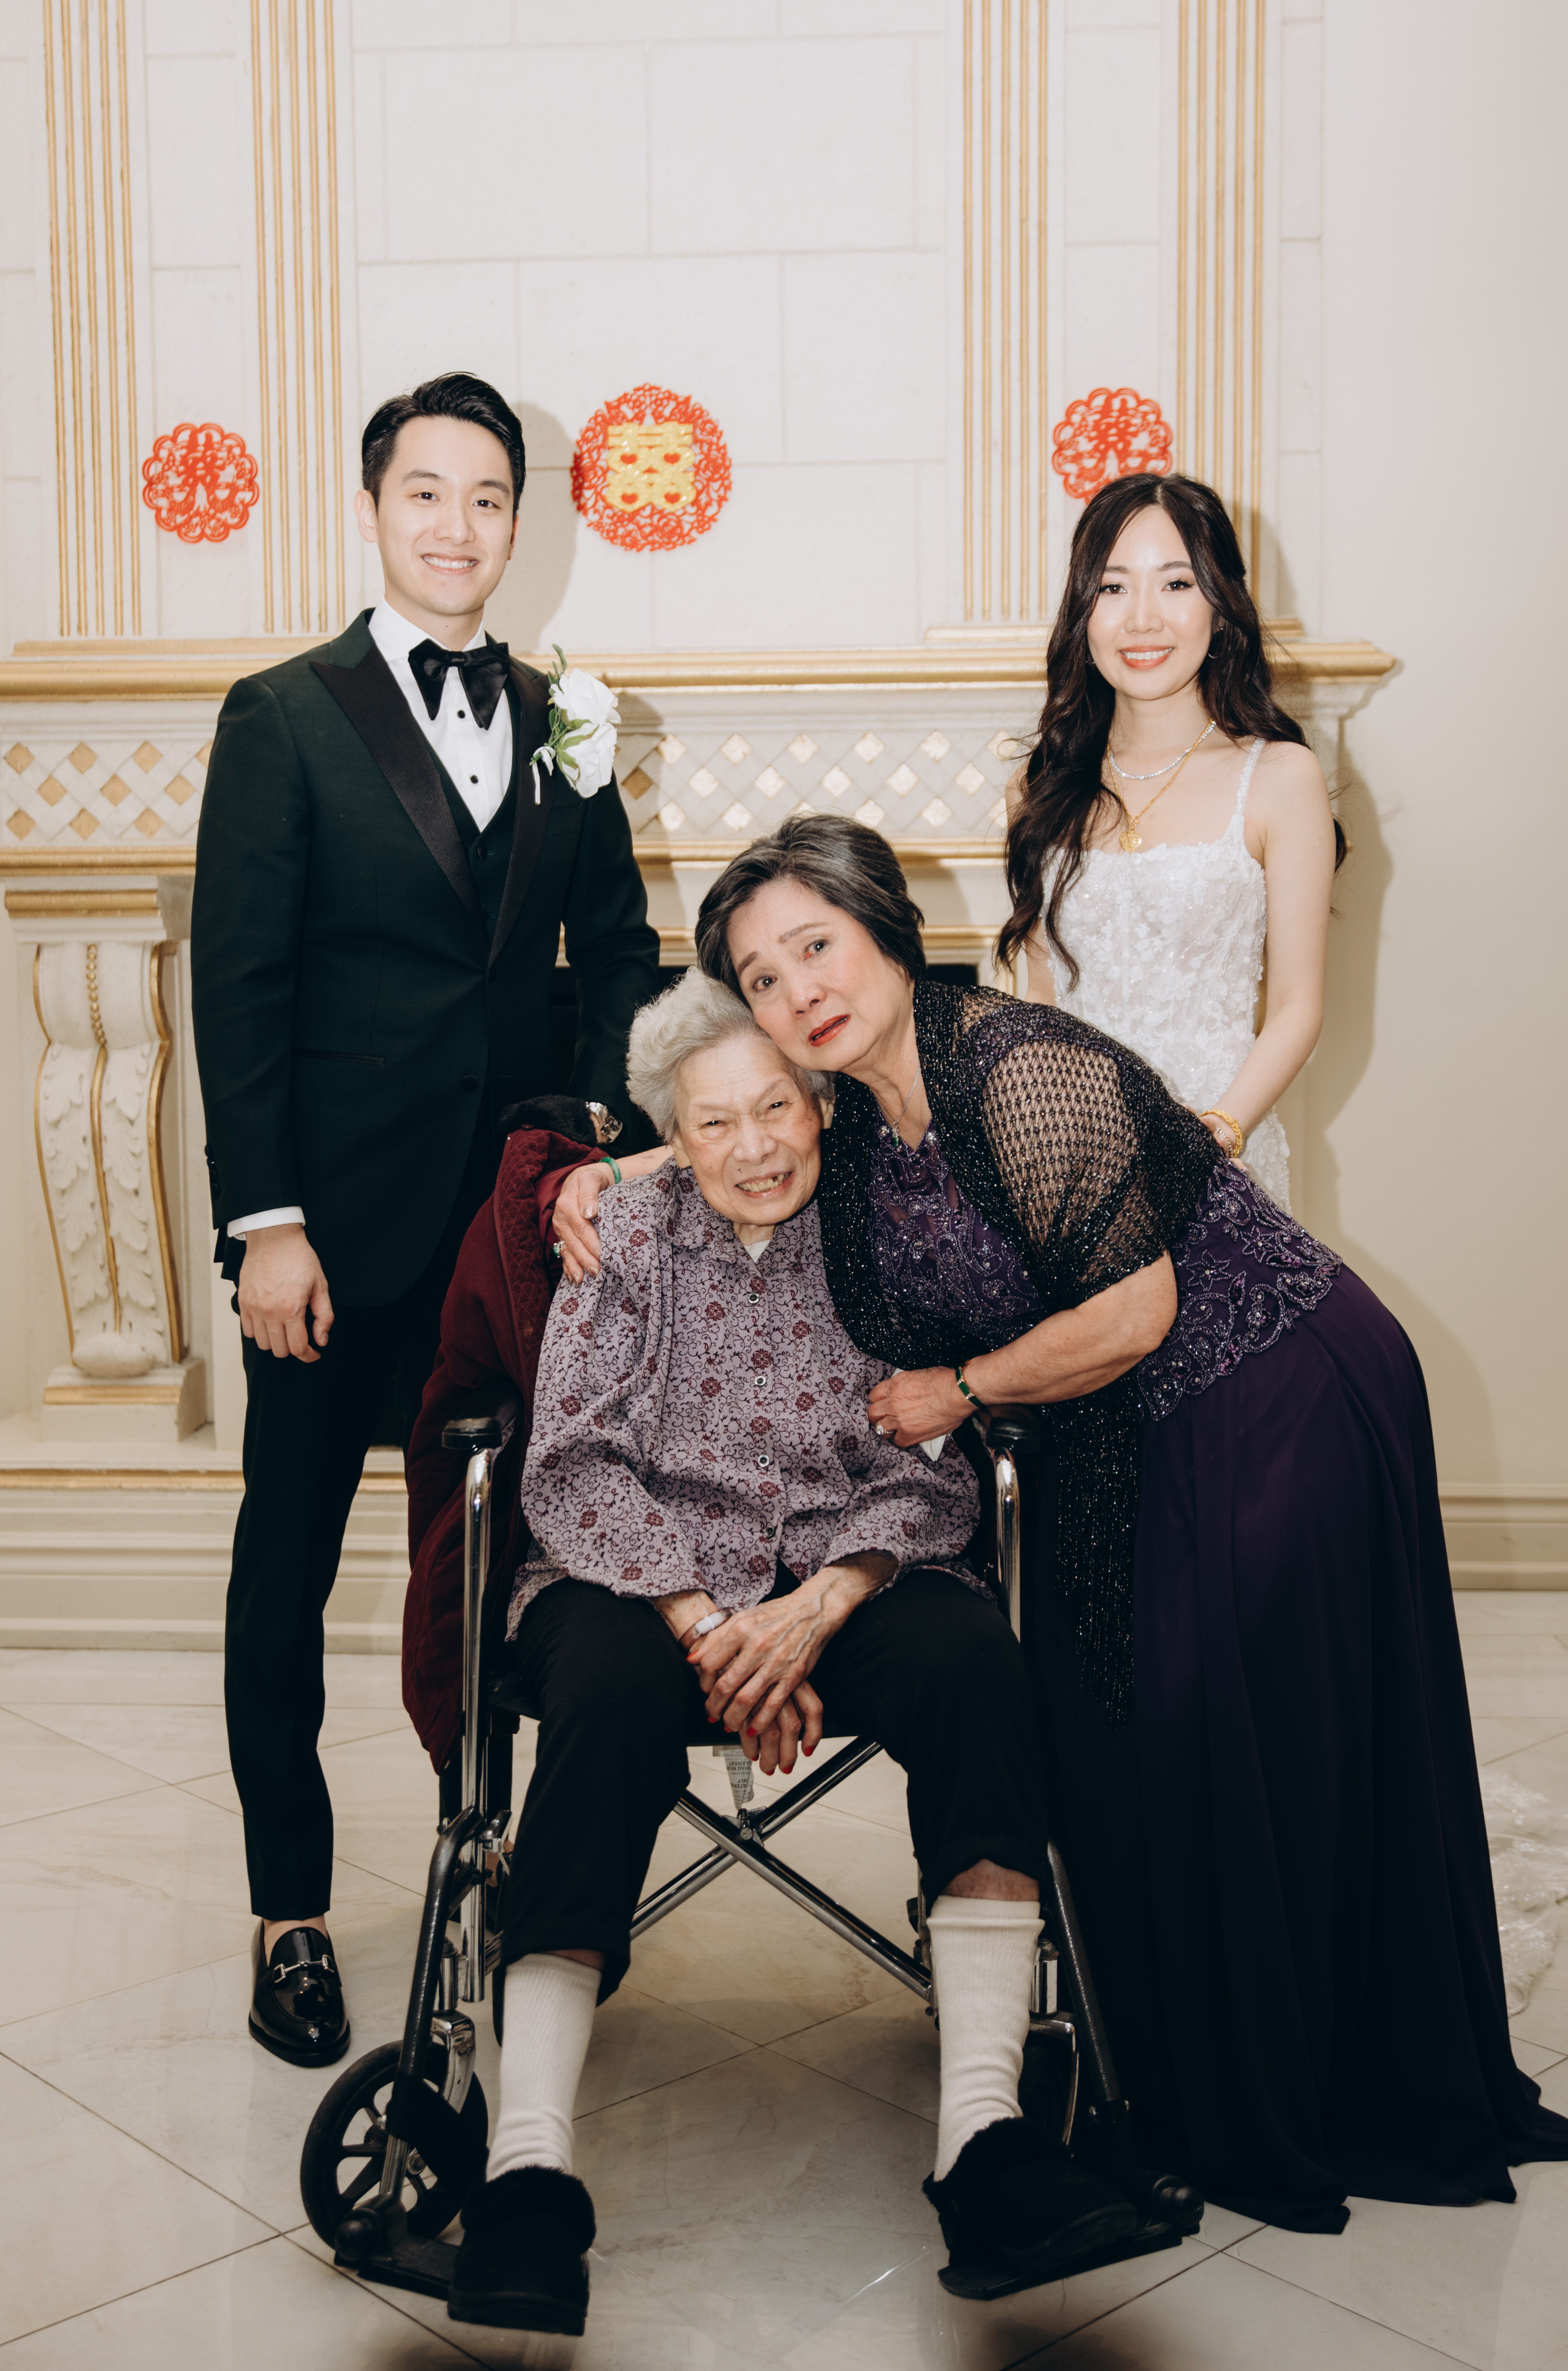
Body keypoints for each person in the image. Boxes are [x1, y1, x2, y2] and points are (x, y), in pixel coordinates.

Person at [557, 814, 1568, 2234]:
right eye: (763, 978)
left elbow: (1135, 1312)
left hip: (1263, 1386)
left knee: (1241, 1734)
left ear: (885, 930)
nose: (799, 992)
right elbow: (734, 1144)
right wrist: (595, 1175)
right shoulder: (861, 1108)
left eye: (815, 947)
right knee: (1112, 1736)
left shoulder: (1014, 1068)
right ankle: (1178, 2075)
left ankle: (1310, 2087)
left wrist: (954, 1391)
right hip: (1120, 1426)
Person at [448, 972, 1143, 2339]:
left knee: (972, 1668)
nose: (755, 1146)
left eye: (776, 1107)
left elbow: (929, 1459)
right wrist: (710, 1626)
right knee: (604, 1698)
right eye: (715, 1123)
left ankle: (986, 2138)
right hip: (637, 1575)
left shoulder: (886, 1233)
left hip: (848, 1561)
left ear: (821, 1103)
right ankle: (526, 2165)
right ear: (671, 1138)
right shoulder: (620, 1232)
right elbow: (571, 1459)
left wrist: (817, 1606)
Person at [190, 370, 659, 2065]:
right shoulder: (282, 714)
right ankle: (290, 1910)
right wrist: (268, 1222)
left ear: (519, 523)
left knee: (503, 1566)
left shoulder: (565, 715)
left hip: (518, 1238)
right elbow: (239, 987)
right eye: (425, 493)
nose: (457, 526)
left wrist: (592, 1128)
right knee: (288, 1566)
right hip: (332, 1238)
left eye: (487, 498)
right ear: (372, 509)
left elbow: (619, 949)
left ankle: (495, 1862)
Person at [1003, 470, 1341, 1208]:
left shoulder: (1280, 777)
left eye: (1176, 584)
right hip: (1080, 1166)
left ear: (1220, 607)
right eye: (1112, 587)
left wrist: (1215, 1133)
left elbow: (1296, 1005)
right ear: (1082, 611)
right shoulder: (1039, 788)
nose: (1142, 619)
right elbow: (1040, 997)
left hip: (1221, 1155)